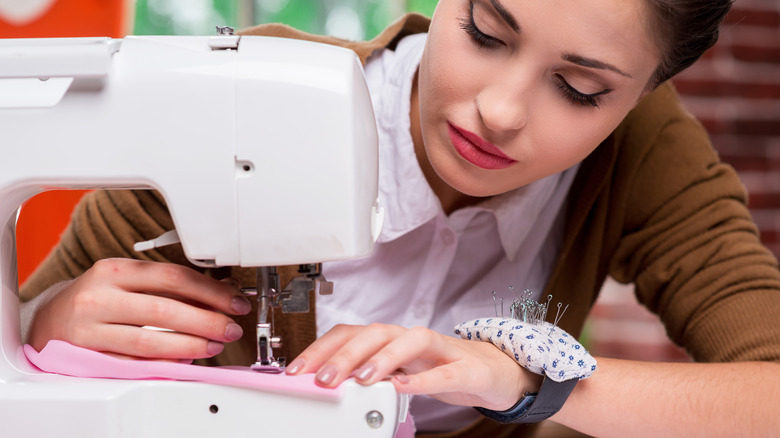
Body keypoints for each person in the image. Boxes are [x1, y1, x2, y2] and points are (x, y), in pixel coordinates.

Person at [20, 0, 780, 436]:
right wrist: (42, 326)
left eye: (579, 89)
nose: (500, 111)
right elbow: (19, 348)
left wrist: (527, 380)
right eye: (485, 32)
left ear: (647, 90)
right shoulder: (242, 91)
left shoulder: (642, 153)